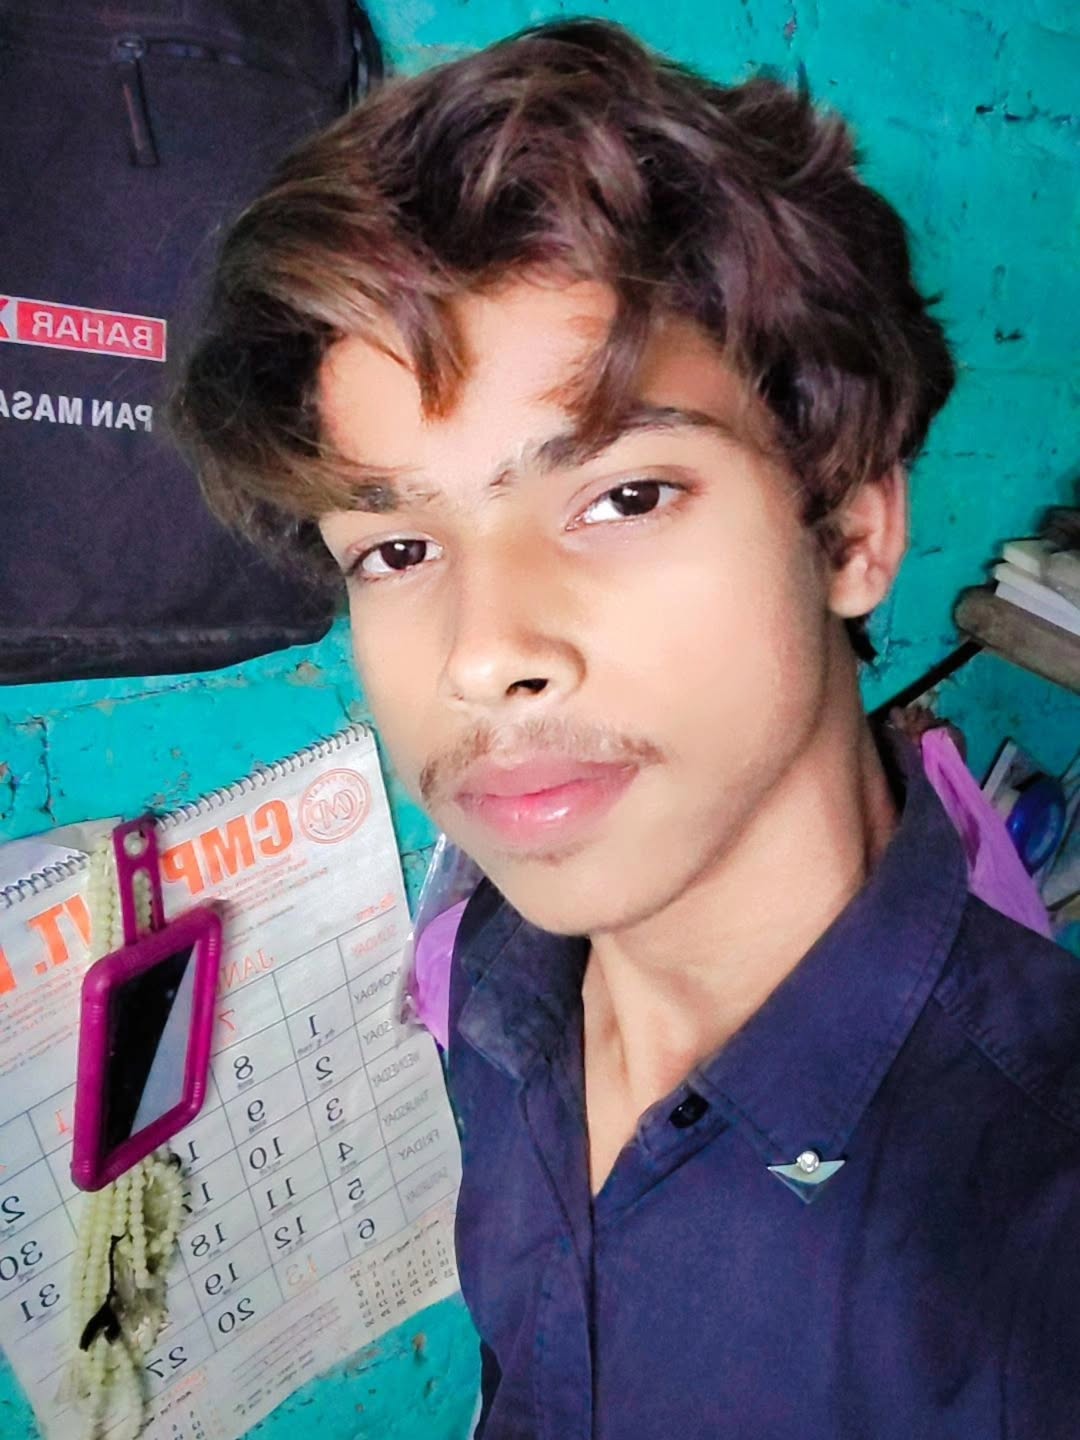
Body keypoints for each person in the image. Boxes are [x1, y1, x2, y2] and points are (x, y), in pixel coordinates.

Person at [173, 20, 1080, 1438]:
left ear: (850, 529)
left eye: (622, 497)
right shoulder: (492, 978)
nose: (483, 655)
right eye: (397, 551)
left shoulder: (1031, 1240)